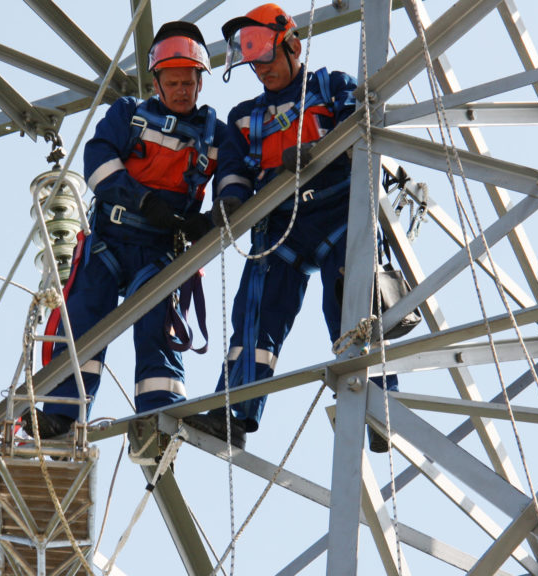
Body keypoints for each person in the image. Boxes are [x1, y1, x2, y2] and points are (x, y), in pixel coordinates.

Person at [185, 3, 397, 451]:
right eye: (252, 63)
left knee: (351, 304)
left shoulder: (330, 85)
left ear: (293, 45)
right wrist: (228, 206)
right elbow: (236, 173)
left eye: (266, 58)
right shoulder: (244, 117)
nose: (260, 70)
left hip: (341, 215)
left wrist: (320, 152)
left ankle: (377, 406)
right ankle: (235, 411)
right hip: (282, 227)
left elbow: (362, 127)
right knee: (255, 314)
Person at [24, 21, 224, 439]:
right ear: (156, 82)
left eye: (189, 82)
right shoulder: (129, 114)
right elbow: (97, 160)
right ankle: (62, 414)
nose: (183, 91)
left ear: (200, 82)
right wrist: (143, 200)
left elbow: (238, 176)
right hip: (109, 244)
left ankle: (160, 415)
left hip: (159, 253)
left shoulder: (214, 136)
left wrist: (215, 216)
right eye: (173, 83)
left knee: (157, 323)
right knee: (81, 321)